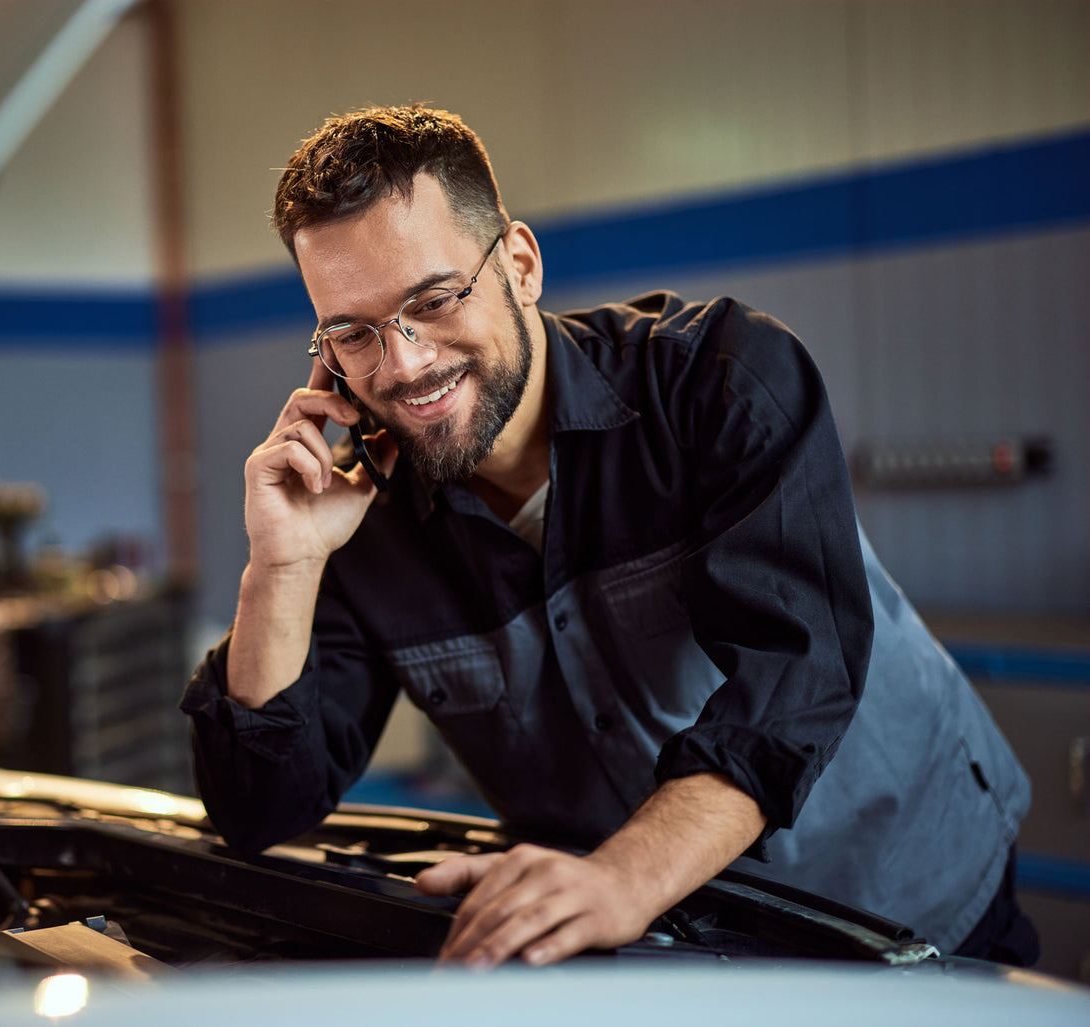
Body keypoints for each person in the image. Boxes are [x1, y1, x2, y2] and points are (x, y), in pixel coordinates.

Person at [179, 104, 1037, 969]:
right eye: (352, 333)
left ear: (519, 264)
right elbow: (258, 809)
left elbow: (793, 678)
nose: (401, 364)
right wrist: (281, 567)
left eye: (433, 300)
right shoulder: (358, 509)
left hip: (904, 890)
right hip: (667, 952)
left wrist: (623, 876)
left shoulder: (720, 384)